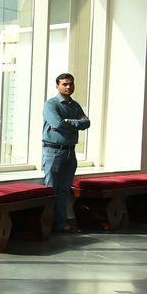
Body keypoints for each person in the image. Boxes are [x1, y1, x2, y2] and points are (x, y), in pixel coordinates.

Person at [42, 72, 90, 231]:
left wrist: (68, 122)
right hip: (53, 152)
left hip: (70, 152)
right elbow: (57, 123)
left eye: (71, 84)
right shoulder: (51, 104)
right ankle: (47, 226)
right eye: (64, 84)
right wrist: (74, 125)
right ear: (57, 86)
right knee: (51, 190)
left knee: (64, 190)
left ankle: (61, 224)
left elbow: (86, 123)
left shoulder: (75, 105)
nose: (68, 87)